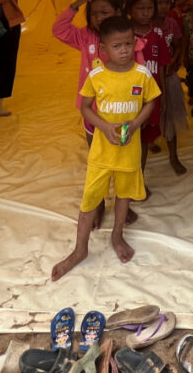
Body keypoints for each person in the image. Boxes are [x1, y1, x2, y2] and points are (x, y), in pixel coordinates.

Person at [50, 16, 160, 281]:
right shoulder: (97, 75)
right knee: (90, 198)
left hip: (128, 150)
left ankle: (117, 235)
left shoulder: (142, 74)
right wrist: (104, 126)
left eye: (128, 44)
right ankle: (80, 249)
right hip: (101, 153)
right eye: (117, 46)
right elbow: (85, 107)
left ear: (135, 43)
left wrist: (135, 124)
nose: (124, 50)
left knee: (124, 195)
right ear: (103, 48)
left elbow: (151, 102)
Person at [53, 0, 122, 140]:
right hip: (91, 105)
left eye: (104, 13)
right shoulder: (85, 36)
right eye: (93, 14)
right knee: (92, 138)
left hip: (118, 103)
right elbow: (58, 29)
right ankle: (94, 156)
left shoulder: (125, 37)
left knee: (118, 140)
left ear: (118, 13)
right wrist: (75, 5)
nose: (98, 18)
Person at [125, 0, 170, 169]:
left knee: (144, 138)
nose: (145, 13)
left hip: (150, 95)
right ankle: (125, 176)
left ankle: (139, 177)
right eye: (140, 8)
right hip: (127, 96)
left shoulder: (157, 34)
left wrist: (163, 93)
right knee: (126, 136)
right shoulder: (124, 34)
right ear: (130, 9)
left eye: (149, 8)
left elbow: (161, 66)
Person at [154, 0, 188, 175]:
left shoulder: (171, 23)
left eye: (166, 2)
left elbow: (179, 43)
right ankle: (151, 141)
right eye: (159, 2)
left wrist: (174, 61)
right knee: (149, 115)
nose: (163, 6)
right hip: (149, 77)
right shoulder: (146, 26)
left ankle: (173, 156)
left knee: (170, 116)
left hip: (168, 76)